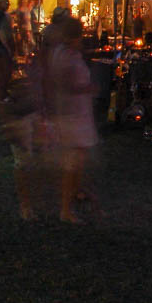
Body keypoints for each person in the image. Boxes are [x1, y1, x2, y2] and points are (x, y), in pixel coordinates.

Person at [46, 17, 98, 223]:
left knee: (77, 160)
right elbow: (64, 84)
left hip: (77, 114)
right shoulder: (65, 56)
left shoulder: (67, 53)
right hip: (71, 115)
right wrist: (87, 89)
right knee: (71, 164)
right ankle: (65, 210)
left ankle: (75, 194)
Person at [0, 0, 16, 102]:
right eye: (6, 3)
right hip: (2, 47)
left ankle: (3, 93)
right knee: (5, 71)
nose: (8, 5)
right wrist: (7, 46)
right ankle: (2, 94)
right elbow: (0, 32)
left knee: (4, 71)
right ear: (0, 3)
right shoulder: (0, 15)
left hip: (0, 46)